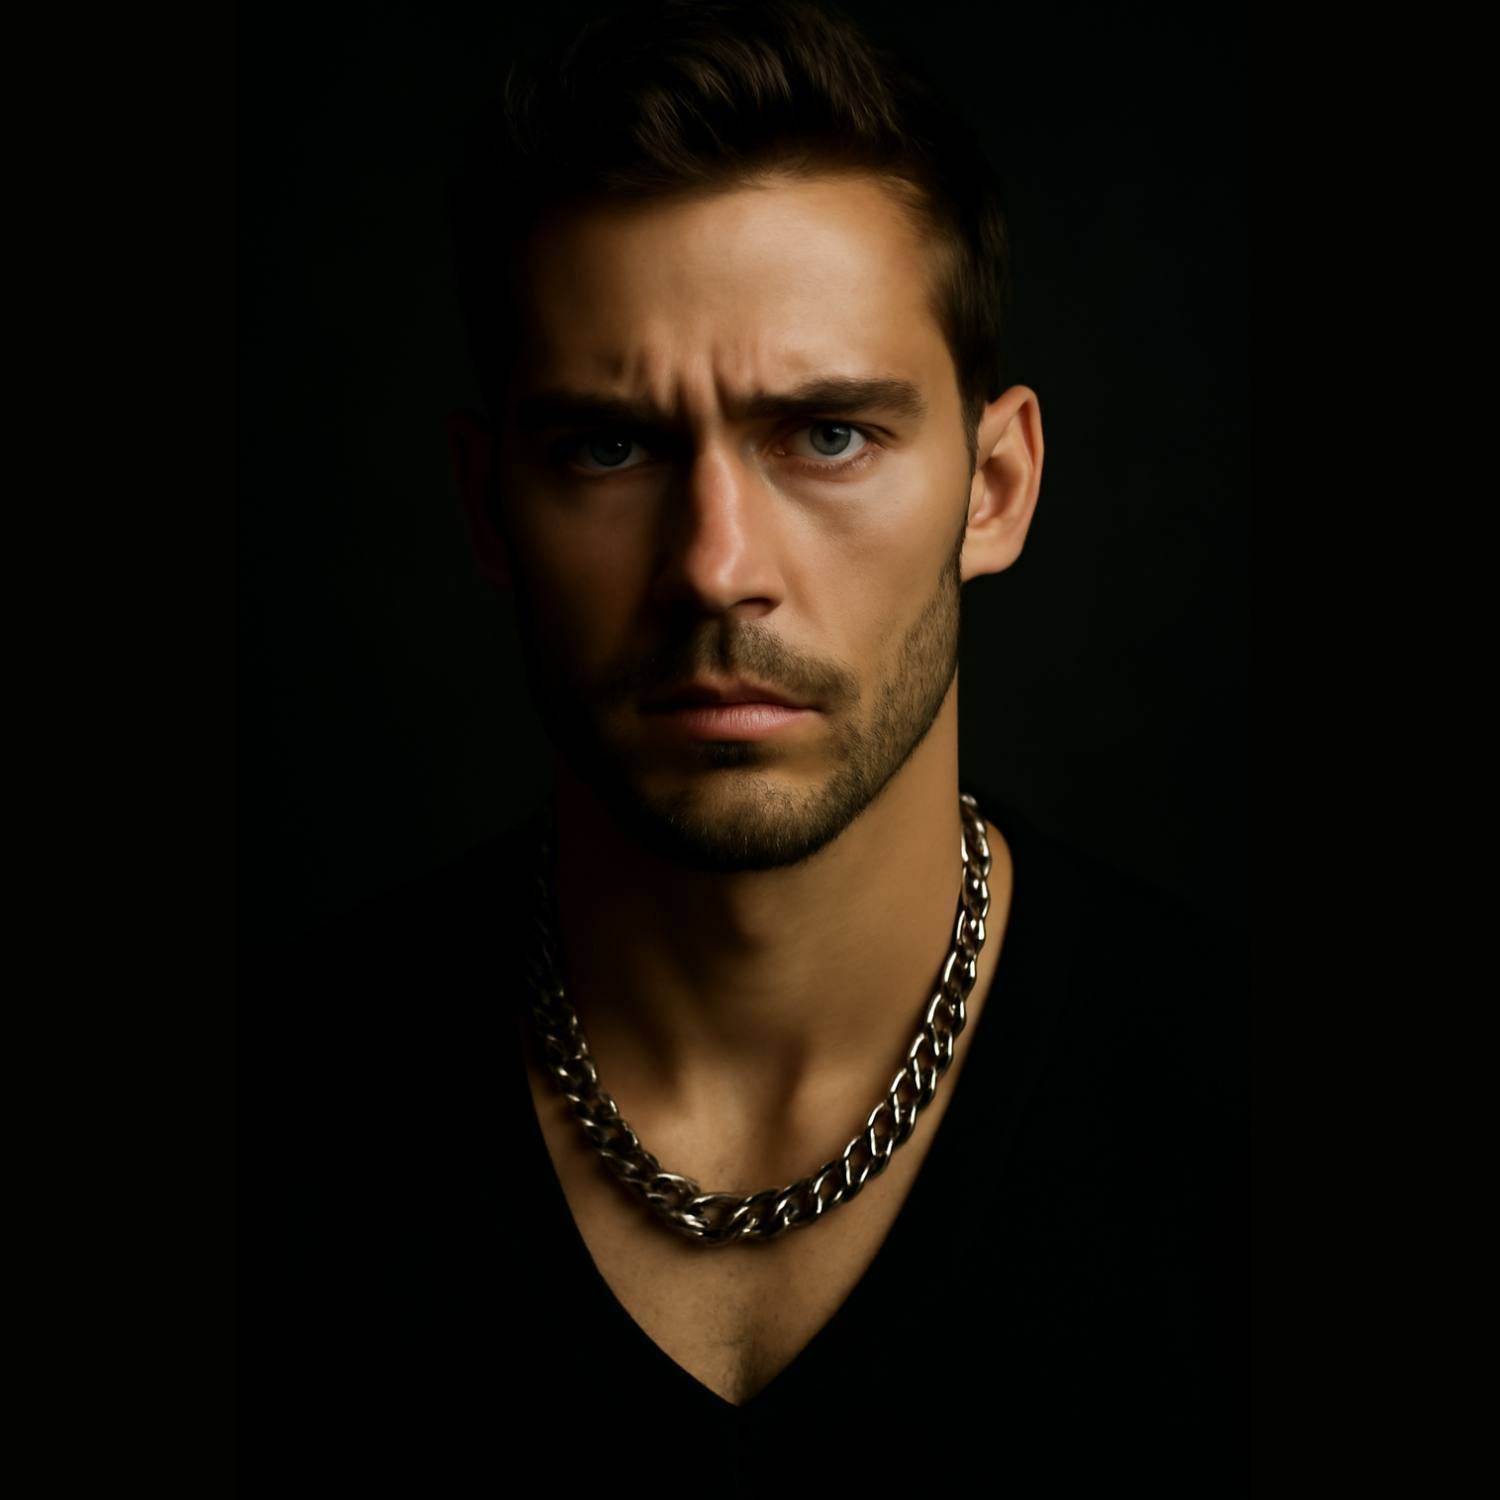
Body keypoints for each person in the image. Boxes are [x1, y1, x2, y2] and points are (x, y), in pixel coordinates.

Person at [240, 0, 1245, 1491]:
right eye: (608, 447)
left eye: (826, 434)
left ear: (997, 486)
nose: (716, 565)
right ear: (485, 508)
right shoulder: (275, 1129)